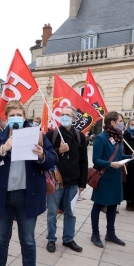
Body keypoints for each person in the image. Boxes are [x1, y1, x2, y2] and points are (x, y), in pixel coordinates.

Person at [0, 100, 56, 266]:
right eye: (12, 115)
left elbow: (52, 159)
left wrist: (41, 155)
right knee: (1, 240)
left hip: (27, 196)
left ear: (24, 118)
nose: (16, 118)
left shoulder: (36, 135)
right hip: (3, 196)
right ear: (7, 118)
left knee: (28, 240)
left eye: (19, 115)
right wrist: (3, 149)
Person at [90, 111, 134, 248]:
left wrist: (132, 156)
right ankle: (95, 234)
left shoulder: (118, 137)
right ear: (112, 123)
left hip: (115, 177)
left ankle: (110, 233)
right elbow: (96, 159)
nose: (122, 124)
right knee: (98, 205)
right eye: (120, 121)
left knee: (113, 205)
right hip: (104, 177)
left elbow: (119, 156)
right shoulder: (101, 138)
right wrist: (110, 164)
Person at [45, 106, 88, 253]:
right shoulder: (52, 134)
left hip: (73, 182)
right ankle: (51, 239)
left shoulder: (80, 136)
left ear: (74, 119)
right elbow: (44, 155)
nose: (64, 117)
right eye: (62, 114)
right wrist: (59, 151)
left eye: (68, 115)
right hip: (56, 181)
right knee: (52, 212)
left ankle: (68, 239)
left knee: (70, 212)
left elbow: (84, 161)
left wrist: (82, 183)